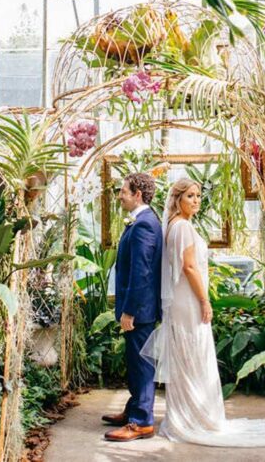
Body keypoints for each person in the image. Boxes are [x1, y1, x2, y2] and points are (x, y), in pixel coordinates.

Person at [142, 177, 265, 447]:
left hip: (182, 300)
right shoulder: (181, 227)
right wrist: (205, 301)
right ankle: (195, 417)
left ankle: (186, 414)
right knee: (195, 352)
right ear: (177, 200)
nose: (196, 200)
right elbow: (189, 267)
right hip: (189, 300)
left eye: (197, 195)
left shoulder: (173, 225)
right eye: (190, 196)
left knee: (189, 353)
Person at [103, 172, 163, 442]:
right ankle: (133, 410)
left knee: (141, 365)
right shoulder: (141, 221)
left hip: (140, 310)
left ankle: (142, 422)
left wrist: (130, 311)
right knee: (135, 362)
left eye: (123, 191)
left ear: (137, 193)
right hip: (139, 308)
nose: (119, 195)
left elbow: (142, 272)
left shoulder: (145, 225)